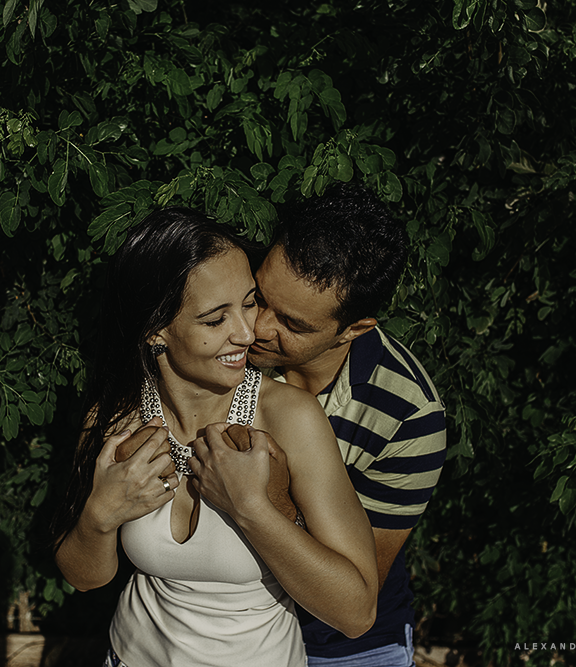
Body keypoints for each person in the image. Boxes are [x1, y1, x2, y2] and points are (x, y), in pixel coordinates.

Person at [52, 207, 379, 667]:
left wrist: (252, 508)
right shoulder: (115, 420)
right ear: (155, 330)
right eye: (214, 319)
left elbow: (356, 613)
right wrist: (99, 517)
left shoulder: (288, 418)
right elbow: (85, 579)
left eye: (249, 302)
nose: (248, 333)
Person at [245, 184, 447, 666]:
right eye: (259, 296)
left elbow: (351, 589)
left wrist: (276, 502)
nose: (258, 327)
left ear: (354, 329)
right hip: (224, 625)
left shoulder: (408, 415)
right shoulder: (224, 340)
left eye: (293, 325)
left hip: (341, 647)